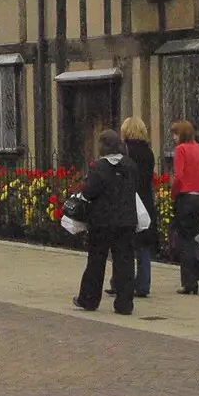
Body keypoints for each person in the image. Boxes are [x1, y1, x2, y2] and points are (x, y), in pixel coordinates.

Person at [72, 129, 140, 315]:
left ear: (102, 146)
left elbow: (88, 192)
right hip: (126, 221)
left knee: (96, 261)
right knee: (125, 262)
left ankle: (89, 300)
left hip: (102, 222)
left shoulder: (99, 167)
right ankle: (125, 304)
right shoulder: (130, 165)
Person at [110, 117, 157, 300]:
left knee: (123, 243)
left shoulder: (126, 151)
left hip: (129, 199)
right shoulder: (149, 152)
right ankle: (144, 284)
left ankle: (120, 282)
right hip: (145, 198)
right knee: (143, 245)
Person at [169, 119, 199, 296]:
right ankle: (190, 282)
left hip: (186, 197)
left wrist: (173, 194)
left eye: (175, 133)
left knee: (183, 238)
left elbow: (179, 176)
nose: (173, 138)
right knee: (188, 237)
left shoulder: (181, 150)